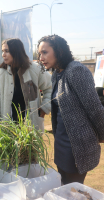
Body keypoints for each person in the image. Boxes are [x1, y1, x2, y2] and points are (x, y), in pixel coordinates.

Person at [38, 34, 104, 185]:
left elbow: (94, 108)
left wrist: (102, 134)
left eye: (45, 52)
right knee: (63, 187)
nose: (41, 57)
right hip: (61, 143)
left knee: (73, 190)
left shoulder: (76, 71)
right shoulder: (56, 73)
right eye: (39, 53)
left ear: (59, 51)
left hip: (77, 146)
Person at [0, 38, 52, 132]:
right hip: (6, 130)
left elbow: (51, 87)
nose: (3, 55)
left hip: (30, 129)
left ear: (17, 51)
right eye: (2, 51)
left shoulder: (35, 68)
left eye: (7, 51)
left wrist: (44, 109)